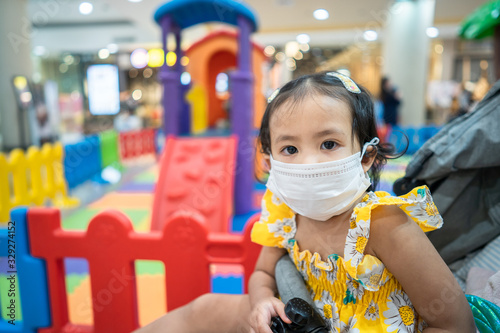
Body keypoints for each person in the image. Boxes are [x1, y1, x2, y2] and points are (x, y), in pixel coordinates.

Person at [134, 72, 475, 333]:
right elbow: (263, 272)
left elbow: (455, 324)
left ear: (366, 156)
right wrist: (263, 301)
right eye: (290, 150)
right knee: (206, 309)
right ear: (269, 160)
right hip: (301, 320)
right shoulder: (286, 214)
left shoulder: (384, 225)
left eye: (328, 144)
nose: (308, 163)